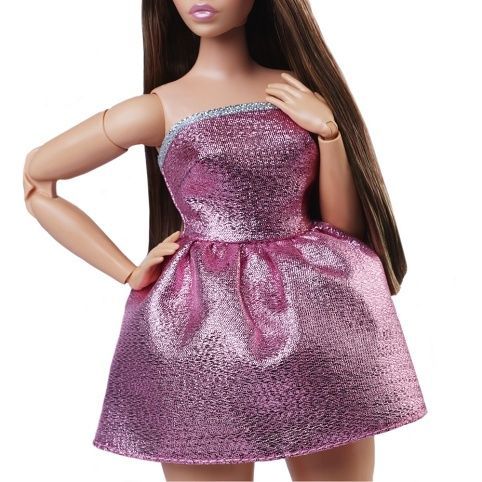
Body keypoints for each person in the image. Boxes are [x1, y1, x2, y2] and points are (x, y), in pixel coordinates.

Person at [23, 1, 427, 480]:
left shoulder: (298, 91)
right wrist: (126, 270)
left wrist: (329, 133)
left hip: (316, 314)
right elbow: (38, 179)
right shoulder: (157, 109)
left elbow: (342, 230)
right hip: (201, 322)